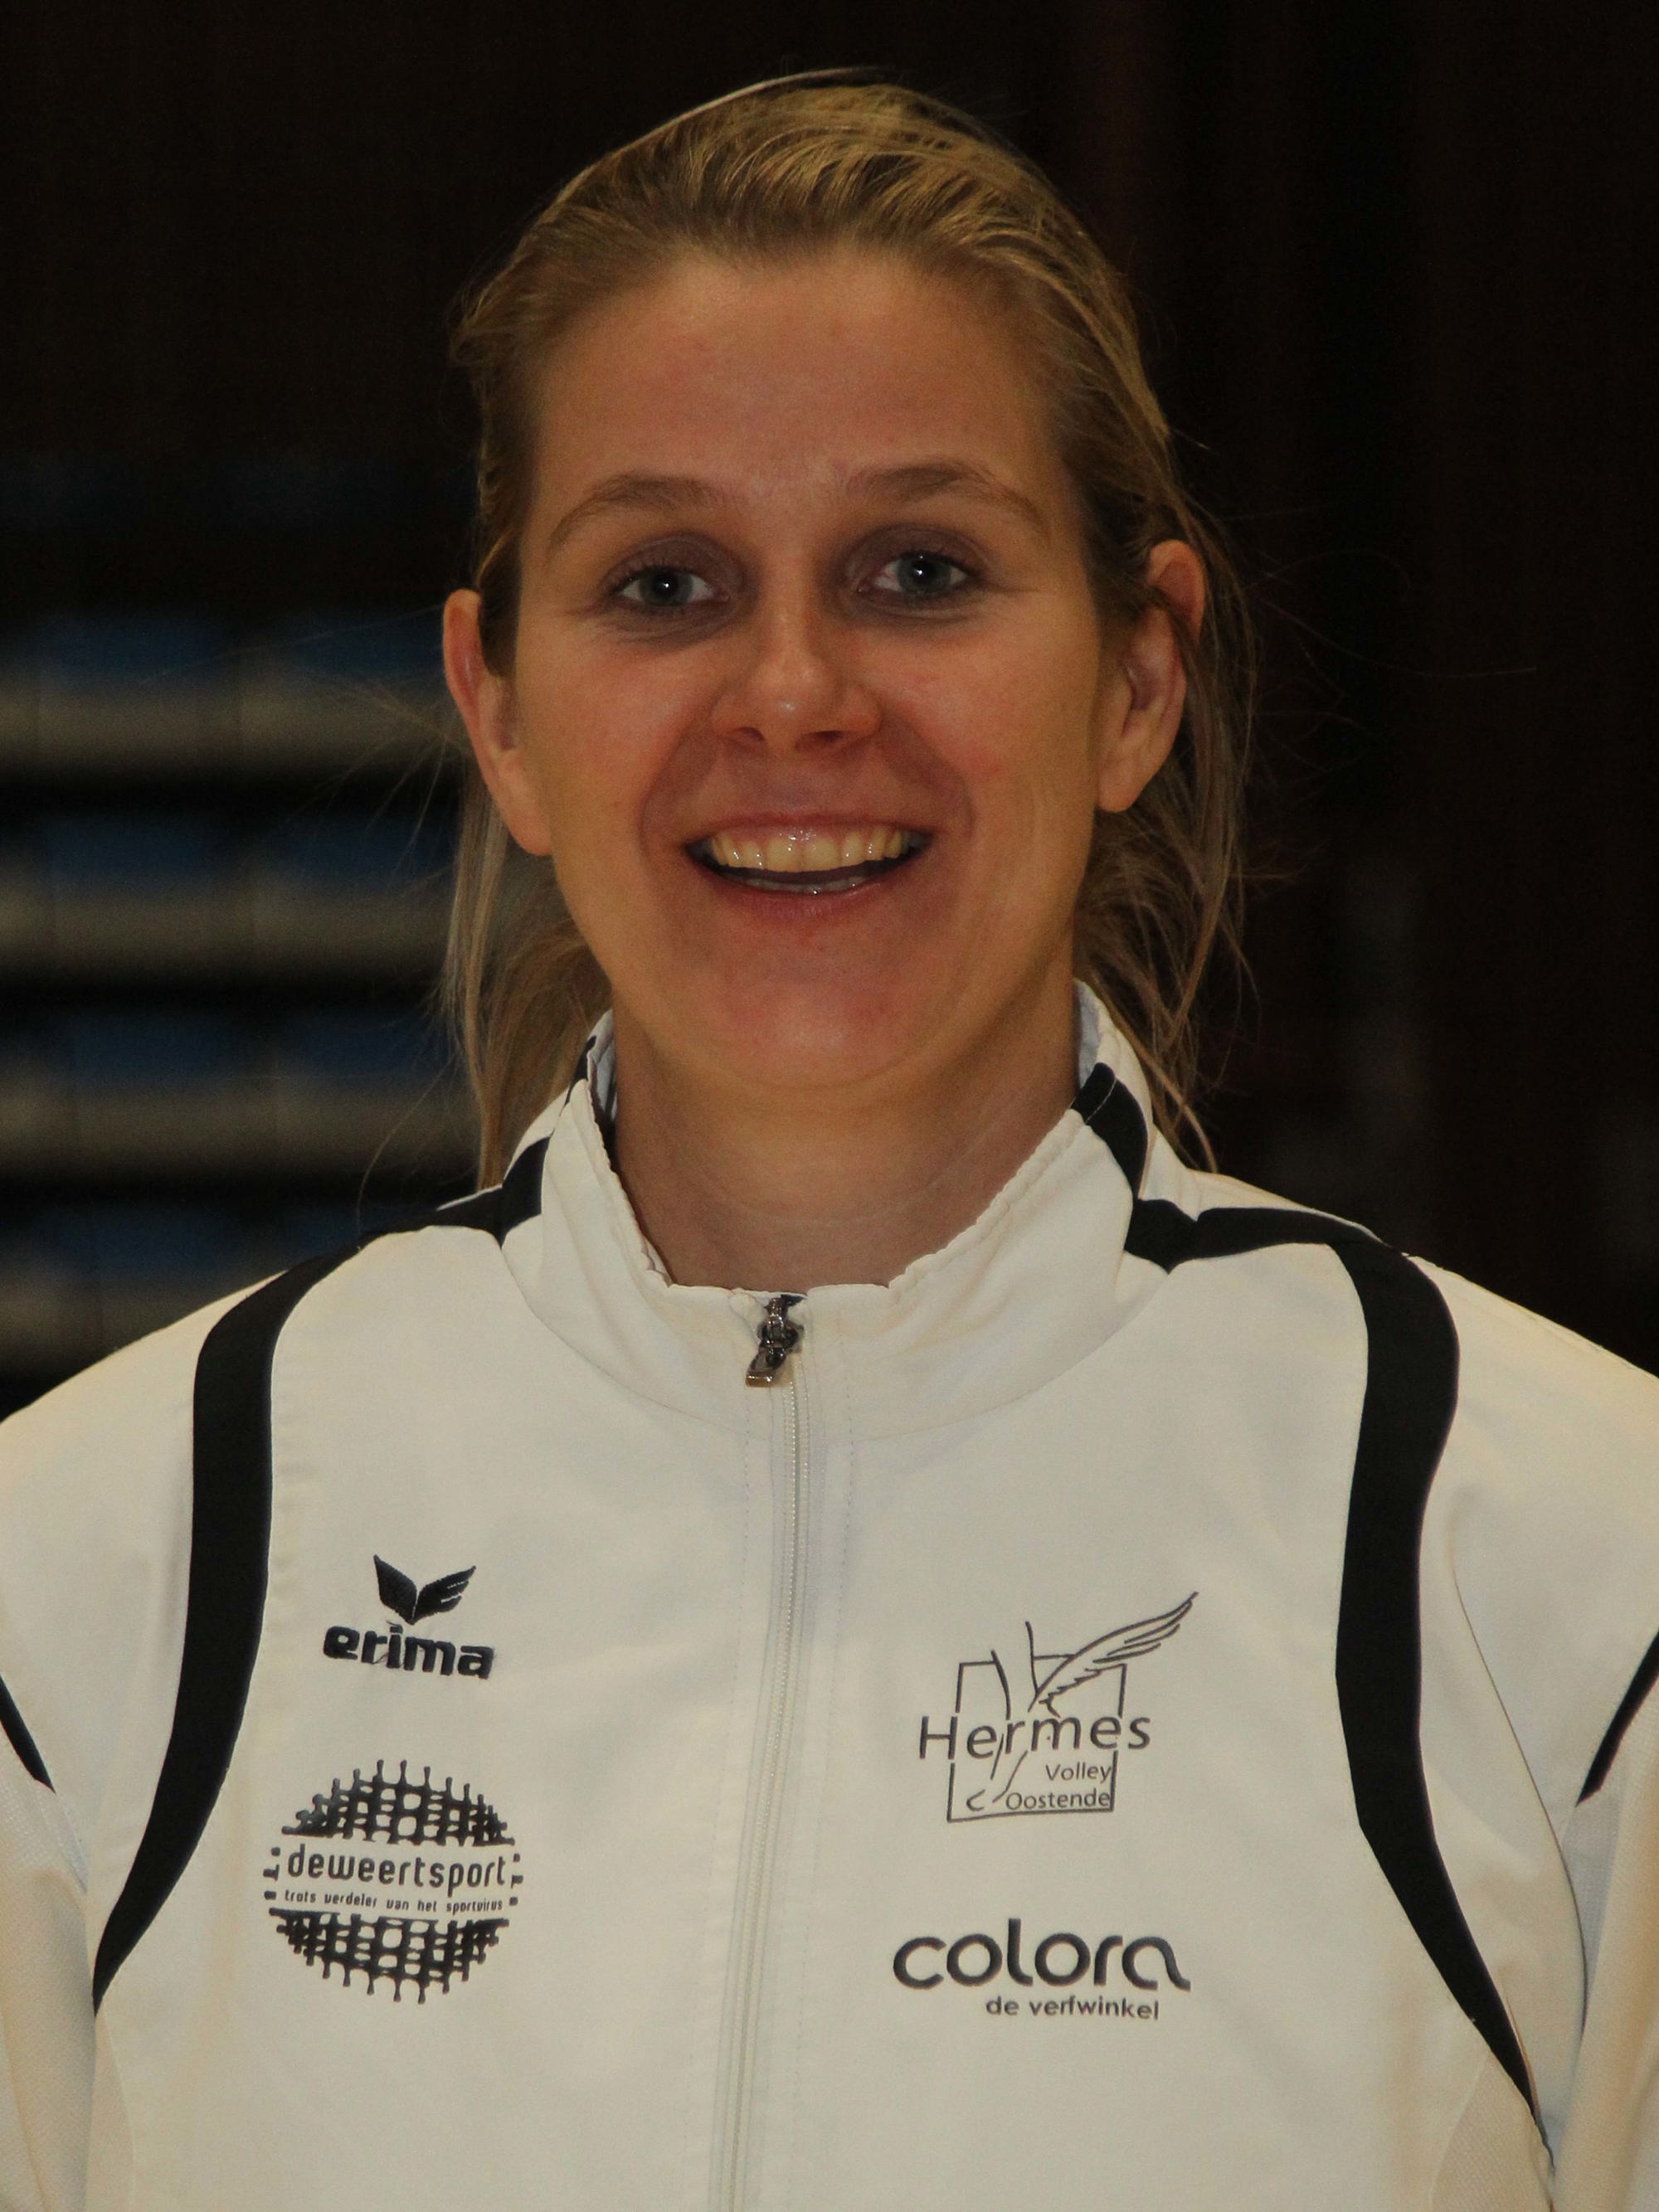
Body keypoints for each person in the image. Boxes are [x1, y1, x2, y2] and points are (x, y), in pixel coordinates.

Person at [0, 73, 1654, 2212]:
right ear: (498, 709)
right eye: (665, 582)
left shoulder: (1568, 1572)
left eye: (920, 570)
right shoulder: (89, 1575)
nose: (792, 695)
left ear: (1138, 678)